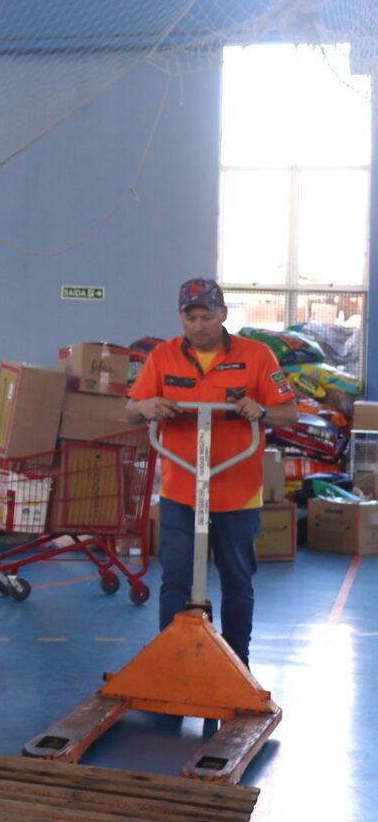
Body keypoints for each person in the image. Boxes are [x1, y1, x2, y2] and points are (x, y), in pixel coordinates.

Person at [125, 278, 298, 666]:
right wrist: (146, 406)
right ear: (180, 318)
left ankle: (238, 664)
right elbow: (130, 410)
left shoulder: (257, 356)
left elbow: (290, 412)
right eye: (191, 318)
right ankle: (172, 662)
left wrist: (261, 410)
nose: (199, 325)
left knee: (237, 580)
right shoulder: (163, 356)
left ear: (223, 314)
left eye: (207, 317)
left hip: (238, 491)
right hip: (181, 490)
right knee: (175, 579)